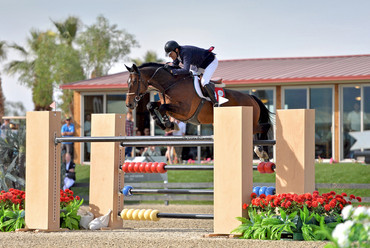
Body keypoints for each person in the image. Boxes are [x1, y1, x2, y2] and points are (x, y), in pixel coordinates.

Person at [164, 40, 219, 106]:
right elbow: (174, 66)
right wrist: (167, 69)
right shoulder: (177, 54)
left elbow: (186, 70)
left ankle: (215, 102)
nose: (170, 56)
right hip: (199, 64)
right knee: (190, 77)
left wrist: (173, 71)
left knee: (204, 82)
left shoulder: (185, 52)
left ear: (176, 50)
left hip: (210, 62)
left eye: (170, 54)